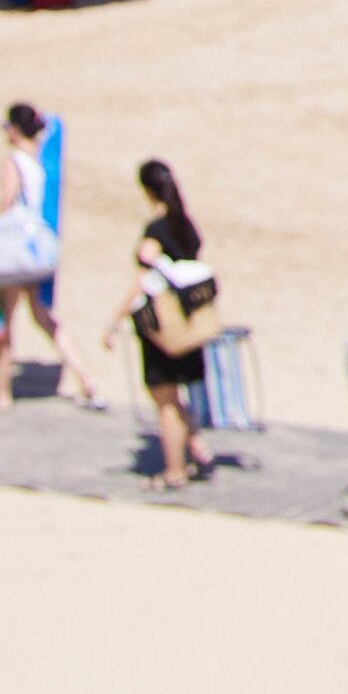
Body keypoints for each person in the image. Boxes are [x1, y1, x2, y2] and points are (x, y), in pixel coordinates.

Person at [0, 101, 106, 412]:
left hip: (14, 250)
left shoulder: (14, 161)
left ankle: (0, 393)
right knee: (43, 316)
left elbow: (6, 199)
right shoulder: (42, 161)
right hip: (36, 248)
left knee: (3, 318)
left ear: (15, 130)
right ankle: (86, 379)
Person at [117, 160, 221, 491]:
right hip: (191, 321)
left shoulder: (155, 231)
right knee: (176, 396)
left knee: (165, 399)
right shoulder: (186, 226)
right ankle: (194, 444)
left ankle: (175, 469)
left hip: (164, 326)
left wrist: (114, 321)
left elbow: (141, 281)